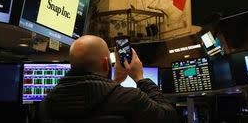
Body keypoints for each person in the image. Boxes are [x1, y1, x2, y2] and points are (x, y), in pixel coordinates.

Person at [39, 35, 179, 123]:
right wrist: (140, 78)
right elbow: (169, 117)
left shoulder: (47, 103)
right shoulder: (130, 98)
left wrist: (115, 82)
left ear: (72, 65)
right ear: (106, 63)